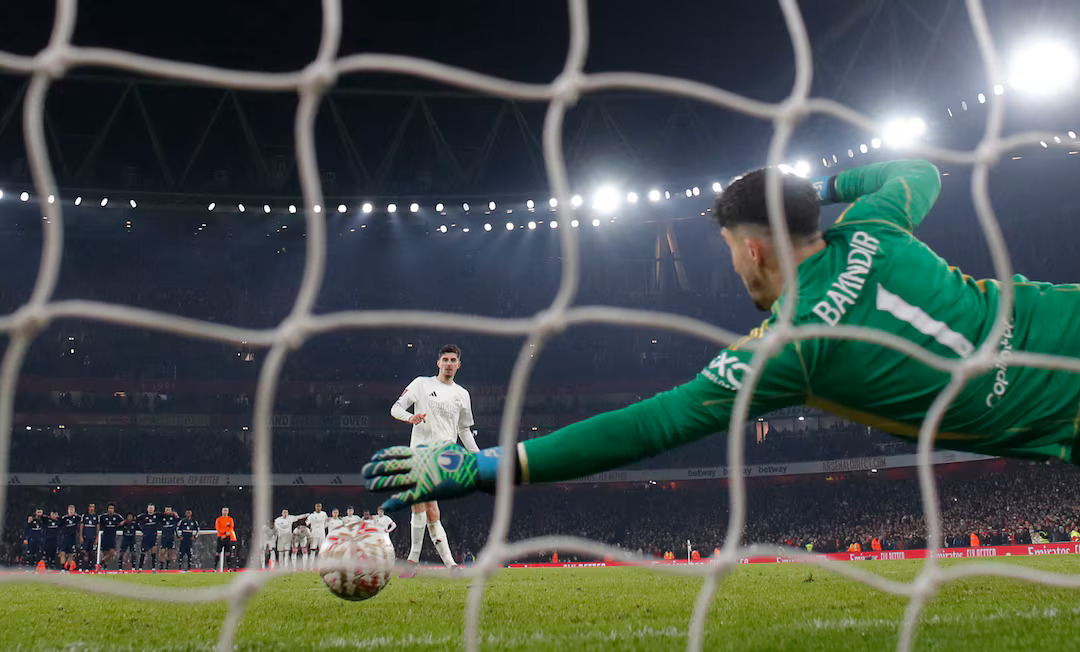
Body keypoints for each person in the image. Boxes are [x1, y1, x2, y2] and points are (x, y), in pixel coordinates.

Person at [362, 160, 1080, 516]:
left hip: (1056, 411)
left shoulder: (790, 346)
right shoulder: (875, 224)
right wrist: (825, 187)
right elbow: (918, 170)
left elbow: (652, 423)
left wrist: (487, 469)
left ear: (755, 249)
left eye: (733, 247)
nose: (735, 264)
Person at [389, 344, 478, 577]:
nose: (449, 363)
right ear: (438, 363)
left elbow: (464, 430)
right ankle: (450, 565)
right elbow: (395, 408)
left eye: (453, 360)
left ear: (459, 365)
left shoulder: (462, 394)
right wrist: (411, 418)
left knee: (426, 506)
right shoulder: (421, 384)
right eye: (445, 359)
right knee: (428, 507)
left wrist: (478, 455)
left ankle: (415, 561)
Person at [99, 503, 124, 570]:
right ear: (107, 509)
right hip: (105, 536)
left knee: (112, 553)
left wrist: (120, 525)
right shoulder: (103, 517)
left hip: (112, 536)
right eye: (110, 508)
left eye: (112, 508)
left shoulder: (117, 516)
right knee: (105, 553)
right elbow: (98, 524)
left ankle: (100, 564)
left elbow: (123, 522)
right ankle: (105, 567)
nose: (111, 510)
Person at [136, 503, 161, 571]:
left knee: (153, 552)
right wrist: (141, 529)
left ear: (154, 509)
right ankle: (140, 568)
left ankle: (153, 568)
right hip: (146, 537)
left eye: (152, 508)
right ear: (147, 509)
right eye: (149, 508)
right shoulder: (143, 516)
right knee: (143, 552)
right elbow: (136, 521)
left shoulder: (157, 515)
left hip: (153, 536)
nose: (150, 509)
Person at [215, 507, 237, 571]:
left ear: (228, 512)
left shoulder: (230, 519)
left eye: (226, 510)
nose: (225, 511)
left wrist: (225, 535)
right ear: (222, 511)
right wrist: (224, 533)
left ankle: (229, 568)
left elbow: (231, 528)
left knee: (228, 553)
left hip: (227, 537)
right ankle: (214, 568)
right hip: (220, 537)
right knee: (218, 553)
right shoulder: (218, 519)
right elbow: (217, 528)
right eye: (224, 510)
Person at [59, 505, 79, 570]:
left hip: (72, 538)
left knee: (71, 554)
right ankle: (62, 568)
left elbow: (82, 521)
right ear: (68, 510)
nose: (71, 511)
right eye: (70, 510)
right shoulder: (64, 518)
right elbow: (59, 525)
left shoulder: (77, 517)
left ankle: (68, 567)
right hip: (65, 537)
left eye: (72, 510)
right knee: (62, 553)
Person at [79, 503, 99, 571]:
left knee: (91, 552)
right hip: (85, 536)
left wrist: (97, 537)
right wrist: (81, 536)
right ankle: (81, 566)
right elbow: (81, 526)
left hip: (92, 537)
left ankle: (89, 567)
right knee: (83, 551)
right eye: (90, 506)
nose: (91, 508)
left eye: (93, 507)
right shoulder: (84, 515)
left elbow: (97, 527)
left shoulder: (96, 516)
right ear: (88, 507)